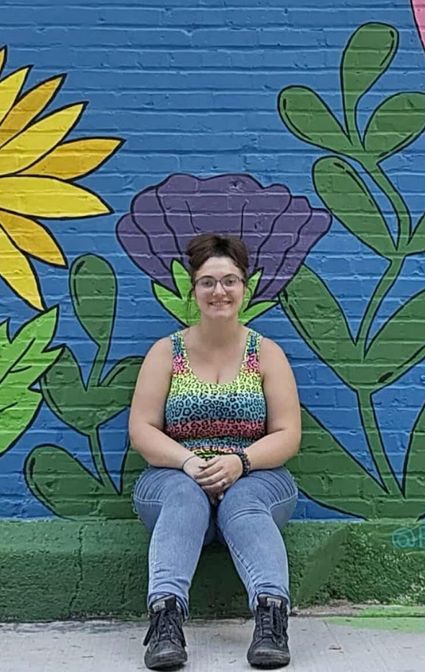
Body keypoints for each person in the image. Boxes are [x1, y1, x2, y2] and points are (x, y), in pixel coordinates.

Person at [129, 233, 302, 670]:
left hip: (258, 475)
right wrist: (190, 464)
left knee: (243, 502)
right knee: (185, 497)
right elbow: (142, 429)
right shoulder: (166, 352)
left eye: (229, 281)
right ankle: (165, 620)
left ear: (245, 288)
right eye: (208, 282)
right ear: (194, 289)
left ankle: (271, 618)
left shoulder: (267, 354)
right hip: (173, 476)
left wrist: (239, 463)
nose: (219, 291)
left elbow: (287, 434)